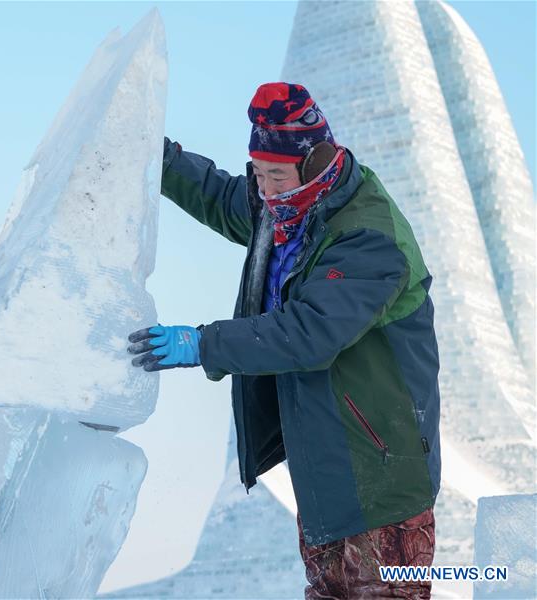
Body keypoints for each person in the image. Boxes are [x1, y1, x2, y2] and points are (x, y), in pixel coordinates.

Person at [128, 83, 441, 599]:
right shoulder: (289, 211)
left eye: (277, 175)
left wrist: (202, 344)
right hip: (325, 475)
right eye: (259, 174)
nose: (267, 191)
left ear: (316, 164)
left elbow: (308, 332)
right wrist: (152, 155)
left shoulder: (368, 238)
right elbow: (218, 195)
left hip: (381, 482)